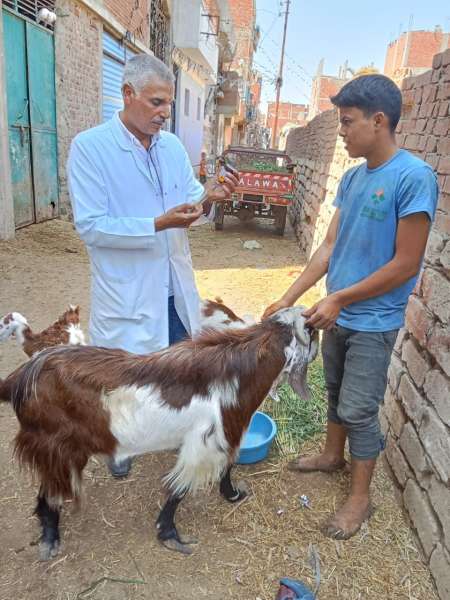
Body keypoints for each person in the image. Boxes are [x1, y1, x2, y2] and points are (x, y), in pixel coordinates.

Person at [263, 74, 438, 539]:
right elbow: (328, 247)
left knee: (360, 408)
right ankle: (331, 454)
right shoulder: (353, 177)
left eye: (347, 122)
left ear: (378, 121)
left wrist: (339, 298)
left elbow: (405, 264)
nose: (340, 132)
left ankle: (360, 499)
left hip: (372, 321)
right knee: (335, 391)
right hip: (338, 314)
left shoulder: (413, 177)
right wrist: (290, 296)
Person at [67, 54, 238, 477]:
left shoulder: (173, 147)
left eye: (169, 104)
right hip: (126, 291)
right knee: (123, 380)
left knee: (174, 371)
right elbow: (91, 226)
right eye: (156, 102)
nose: (165, 113)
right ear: (128, 94)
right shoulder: (91, 148)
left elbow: (192, 202)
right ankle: (118, 446)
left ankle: (163, 433)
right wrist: (157, 223)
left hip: (171, 287)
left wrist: (211, 198)